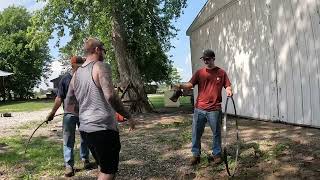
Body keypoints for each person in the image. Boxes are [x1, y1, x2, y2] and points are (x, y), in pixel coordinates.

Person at [65, 37, 135, 180]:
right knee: (108, 172)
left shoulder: (76, 74)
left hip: (85, 130)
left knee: (102, 166)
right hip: (103, 129)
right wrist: (128, 116)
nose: (105, 53)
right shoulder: (101, 66)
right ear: (97, 49)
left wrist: (84, 113)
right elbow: (110, 96)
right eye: (104, 50)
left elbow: (69, 101)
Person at [174, 49, 233, 165]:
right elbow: (190, 84)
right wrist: (180, 85)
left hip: (214, 109)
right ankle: (196, 155)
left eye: (208, 59)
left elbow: (227, 85)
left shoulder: (221, 73)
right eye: (204, 59)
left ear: (213, 58)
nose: (205, 61)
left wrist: (229, 90)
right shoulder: (199, 73)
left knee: (216, 133)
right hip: (199, 108)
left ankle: (216, 155)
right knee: (196, 132)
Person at [46, 56, 90, 177]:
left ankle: (85, 160)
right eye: (79, 66)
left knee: (86, 137)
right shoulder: (65, 79)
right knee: (68, 140)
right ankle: (69, 166)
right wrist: (52, 113)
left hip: (84, 114)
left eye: (83, 66)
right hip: (69, 114)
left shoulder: (86, 78)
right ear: (72, 66)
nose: (81, 68)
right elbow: (59, 98)